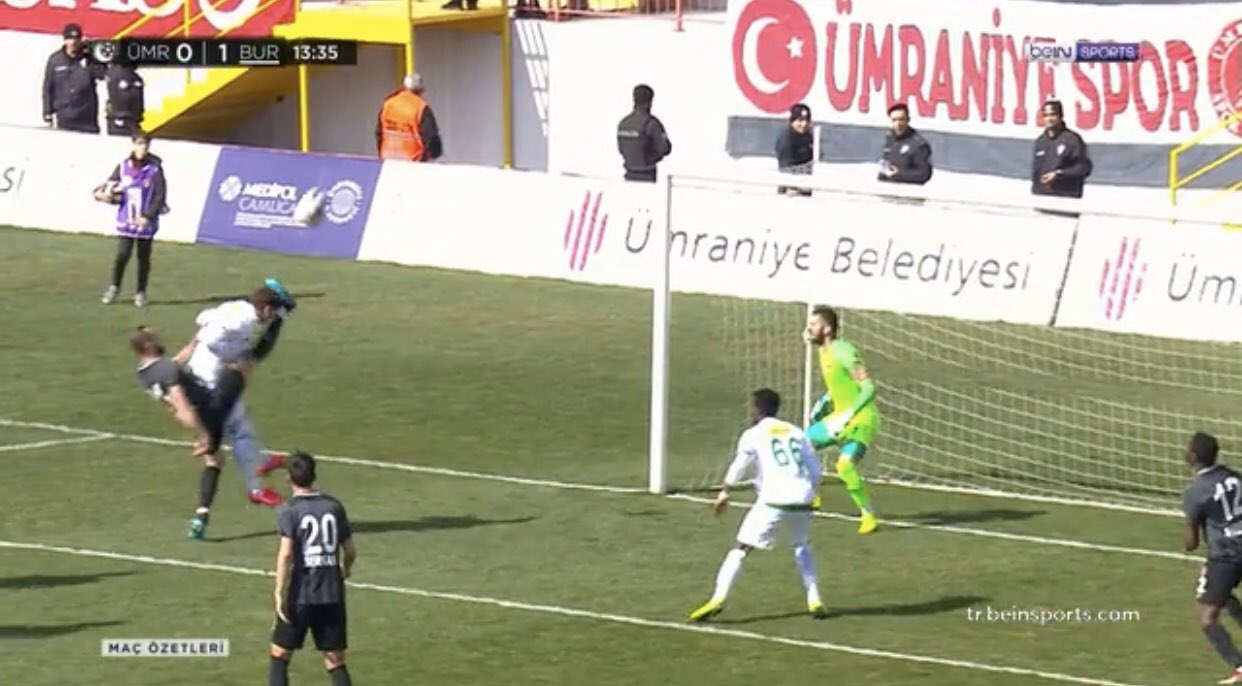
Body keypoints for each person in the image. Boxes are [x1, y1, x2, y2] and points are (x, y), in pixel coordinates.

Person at [688, 389, 826, 622]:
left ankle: (718, 598)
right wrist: (813, 492)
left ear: (758, 409)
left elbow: (740, 464)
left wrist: (725, 491)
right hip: (803, 496)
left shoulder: (754, 434)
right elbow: (814, 468)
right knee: (801, 543)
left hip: (775, 498)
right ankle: (815, 598)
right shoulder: (795, 431)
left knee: (740, 547)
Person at [132, 327, 288, 531]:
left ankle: (201, 515)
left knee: (215, 461)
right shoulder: (166, 370)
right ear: (148, 345)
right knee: (239, 368)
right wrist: (204, 436)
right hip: (210, 407)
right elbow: (181, 403)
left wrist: (197, 338)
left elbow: (177, 365)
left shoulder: (146, 372)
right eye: (155, 339)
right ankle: (258, 484)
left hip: (198, 419)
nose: (160, 340)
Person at [174, 281, 297, 539]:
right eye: (273, 312)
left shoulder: (237, 307)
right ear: (265, 308)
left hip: (202, 378)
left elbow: (205, 321)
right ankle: (256, 486)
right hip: (211, 387)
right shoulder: (241, 324)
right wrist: (235, 361)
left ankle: (202, 515)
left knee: (218, 456)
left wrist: (189, 349)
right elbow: (216, 339)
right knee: (238, 434)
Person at [270, 451, 356, 686]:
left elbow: (286, 554)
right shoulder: (334, 506)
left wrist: (279, 591)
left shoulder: (290, 509)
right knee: (335, 660)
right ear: (314, 476)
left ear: (288, 478)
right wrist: (345, 570)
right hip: (332, 593)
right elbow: (350, 550)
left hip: (301, 593)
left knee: (280, 654)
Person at [803, 305, 880, 535]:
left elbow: (868, 388)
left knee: (844, 466)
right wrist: (825, 401)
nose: (808, 329)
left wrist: (848, 415)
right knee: (802, 444)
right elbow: (842, 383)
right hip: (839, 417)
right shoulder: (823, 351)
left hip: (862, 419)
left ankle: (868, 515)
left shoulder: (844, 351)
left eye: (813, 325)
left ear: (827, 329)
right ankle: (813, 495)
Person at [1182, 431, 1242, 684]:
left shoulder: (1196, 492)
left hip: (1227, 556)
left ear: (1194, 456)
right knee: (1222, 595)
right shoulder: (1235, 477)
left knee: (1207, 616)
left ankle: (1239, 665)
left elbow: (1191, 544)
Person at [95, 132, 165, 307]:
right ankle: (114, 286)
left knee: (143, 258)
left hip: (145, 222)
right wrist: (103, 196)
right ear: (132, 145)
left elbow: (160, 195)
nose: (142, 148)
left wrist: (147, 216)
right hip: (127, 220)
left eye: (145, 145)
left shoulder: (154, 169)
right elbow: (110, 189)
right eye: (139, 144)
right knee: (122, 255)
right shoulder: (123, 166)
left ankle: (140, 292)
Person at [42, 23, 103, 134]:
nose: (73, 42)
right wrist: (47, 112)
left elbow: (102, 75)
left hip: (86, 117)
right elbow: (48, 87)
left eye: (76, 39)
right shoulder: (55, 60)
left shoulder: (89, 59)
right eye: (70, 38)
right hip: (65, 115)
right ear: (64, 40)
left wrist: (94, 53)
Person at [1031, 99, 1092, 200]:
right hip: (1042, 197)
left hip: (1065, 198)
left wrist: (1059, 174)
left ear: (1060, 116)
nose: (1049, 119)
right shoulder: (1040, 141)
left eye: (1052, 115)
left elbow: (1084, 168)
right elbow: (1036, 172)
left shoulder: (1072, 140)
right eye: (1045, 115)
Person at [375, 73, 442, 163]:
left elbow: (379, 133)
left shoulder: (388, 104)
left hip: (387, 161)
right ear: (421, 90)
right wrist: (435, 154)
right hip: (412, 162)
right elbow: (431, 138)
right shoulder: (421, 107)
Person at [616, 84, 671, 183]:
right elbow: (664, 148)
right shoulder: (651, 124)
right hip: (647, 175)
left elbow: (621, 149)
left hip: (628, 174)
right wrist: (651, 158)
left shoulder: (623, 123)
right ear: (650, 101)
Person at [877, 103, 932, 186]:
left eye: (901, 119)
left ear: (908, 120)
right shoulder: (890, 139)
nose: (898, 124)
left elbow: (923, 174)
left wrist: (899, 174)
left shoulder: (918, 144)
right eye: (894, 120)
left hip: (908, 191)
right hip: (888, 188)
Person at [775, 103, 813, 196]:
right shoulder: (787, 140)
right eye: (800, 120)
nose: (804, 124)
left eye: (807, 120)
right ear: (792, 121)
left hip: (807, 184)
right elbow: (786, 169)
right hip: (792, 188)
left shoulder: (808, 137)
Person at [105, 61, 144, 136]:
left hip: (125, 119)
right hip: (123, 119)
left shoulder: (133, 76)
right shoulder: (124, 75)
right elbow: (126, 99)